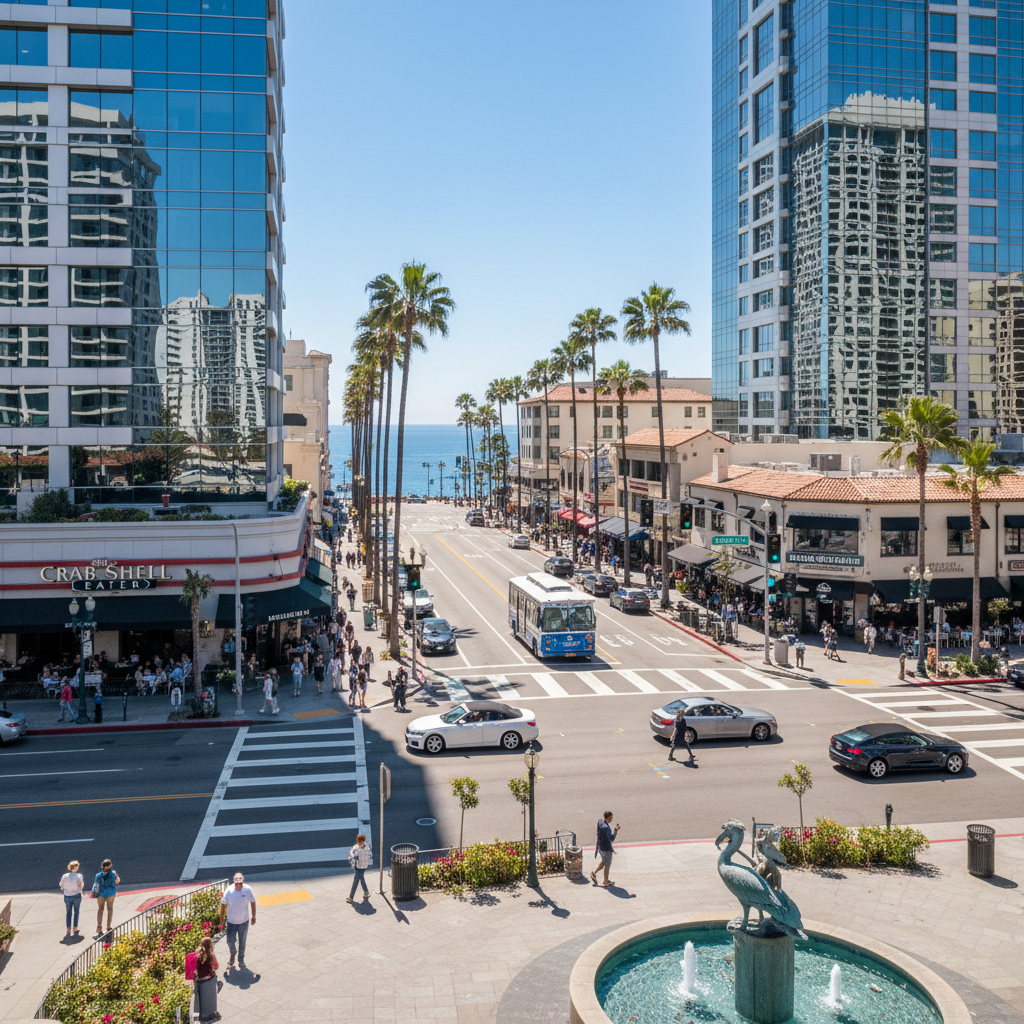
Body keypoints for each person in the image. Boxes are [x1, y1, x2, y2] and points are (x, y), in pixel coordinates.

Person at [219, 873, 256, 970]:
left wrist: (254, 916)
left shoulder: (247, 889)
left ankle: (241, 959)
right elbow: (223, 906)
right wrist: (221, 920)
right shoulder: (229, 891)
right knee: (230, 941)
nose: (239, 885)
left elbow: (252, 902)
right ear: (233, 882)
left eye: (241, 883)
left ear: (243, 881)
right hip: (231, 922)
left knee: (242, 941)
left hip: (244, 921)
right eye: (237, 883)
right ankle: (233, 953)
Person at [193, 936, 221, 1022]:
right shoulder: (210, 955)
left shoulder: (196, 954)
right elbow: (216, 967)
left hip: (199, 980)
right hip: (209, 979)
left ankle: (202, 1015)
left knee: (201, 998)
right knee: (210, 998)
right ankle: (211, 1015)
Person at [590, 812, 619, 887]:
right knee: (607, 865)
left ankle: (594, 873)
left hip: (601, 847)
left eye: (611, 817)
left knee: (603, 862)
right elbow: (611, 839)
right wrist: (615, 831)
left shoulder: (601, 822)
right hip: (606, 849)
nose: (611, 819)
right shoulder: (606, 828)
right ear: (606, 818)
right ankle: (605, 881)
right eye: (610, 818)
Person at [92, 858, 119, 937]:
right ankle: (108, 926)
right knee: (110, 909)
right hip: (111, 894)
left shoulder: (98, 875)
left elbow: (96, 885)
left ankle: (99, 928)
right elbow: (117, 881)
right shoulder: (113, 873)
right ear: (110, 865)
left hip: (101, 894)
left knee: (100, 909)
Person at [60, 859, 84, 937]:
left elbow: (61, 885)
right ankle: (75, 928)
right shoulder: (79, 876)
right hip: (76, 895)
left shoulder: (64, 876)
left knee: (68, 912)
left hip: (67, 895)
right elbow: (81, 885)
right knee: (76, 911)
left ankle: (68, 929)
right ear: (75, 867)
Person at [346, 834, 372, 904]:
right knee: (361, 878)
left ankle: (351, 897)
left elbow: (352, 852)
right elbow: (352, 852)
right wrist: (353, 855)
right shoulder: (366, 846)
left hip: (359, 866)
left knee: (356, 881)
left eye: (361, 841)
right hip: (363, 866)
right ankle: (366, 892)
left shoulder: (358, 847)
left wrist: (353, 856)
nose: (361, 843)